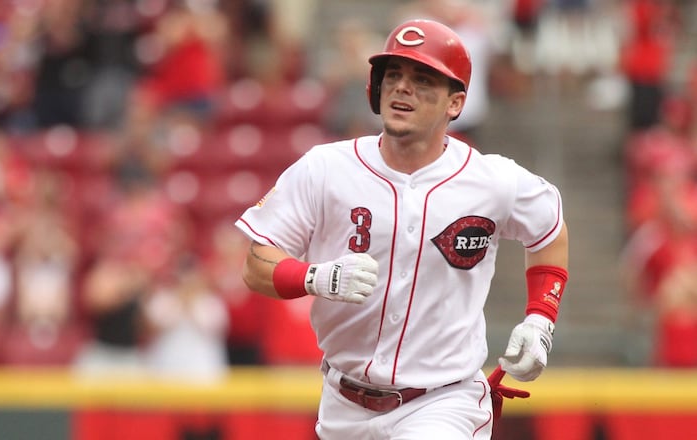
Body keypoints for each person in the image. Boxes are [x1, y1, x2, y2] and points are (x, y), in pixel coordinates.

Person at [234, 19, 569, 439]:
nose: (402, 88)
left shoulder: (491, 179)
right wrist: (315, 276)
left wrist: (541, 320)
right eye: (393, 75)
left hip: (443, 401)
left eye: (423, 79)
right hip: (343, 402)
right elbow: (255, 263)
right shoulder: (325, 168)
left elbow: (550, 230)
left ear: (455, 103)